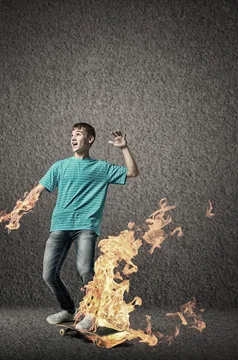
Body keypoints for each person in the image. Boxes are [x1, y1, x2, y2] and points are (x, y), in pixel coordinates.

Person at [22, 123, 139, 331]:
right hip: (59, 225)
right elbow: (39, 188)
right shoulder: (60, 166)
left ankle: (92, 314)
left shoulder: (101, 168)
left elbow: (132, 172)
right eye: (71, 135)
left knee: (85, 269)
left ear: (90, 139)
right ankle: (68, 310)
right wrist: (21, 207)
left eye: (78, 134)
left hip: (86, 226)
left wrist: (123, 148)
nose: (73, 138)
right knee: (49, 275)